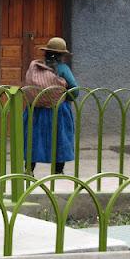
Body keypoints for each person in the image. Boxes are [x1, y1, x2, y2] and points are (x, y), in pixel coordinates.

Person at [23, 37, 79, 176]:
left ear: (46, 53)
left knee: (34, 139)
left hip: (35, 110)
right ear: (62, 55)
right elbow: (74, 91)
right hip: (58, 111)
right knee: (60, 139)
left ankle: (29, 170)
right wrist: (64, 98)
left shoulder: (36, 67)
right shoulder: (63, 69)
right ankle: (58, 171)